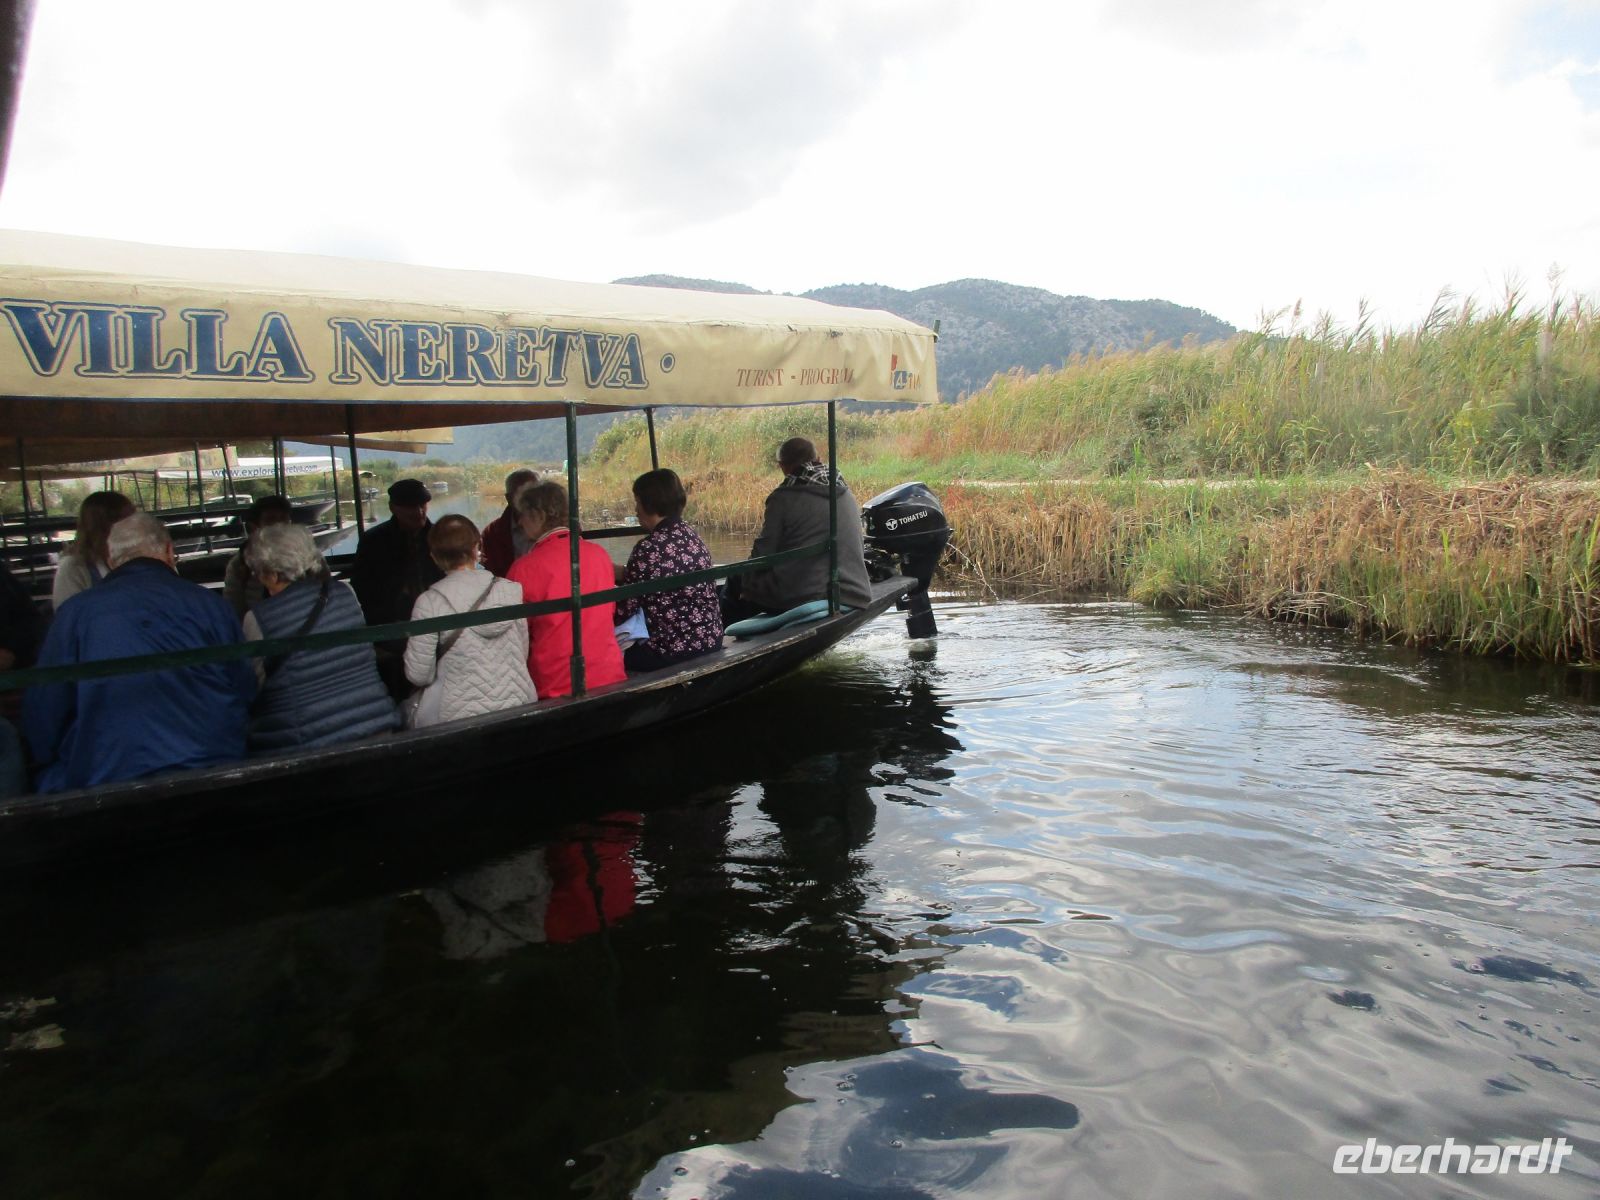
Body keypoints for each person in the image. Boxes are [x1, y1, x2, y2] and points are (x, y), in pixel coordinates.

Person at [23, 512, 255, 793]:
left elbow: (45, 709)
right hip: (211, 762)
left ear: (111, 560)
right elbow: (244, 687)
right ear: (169, 551)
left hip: (109, 776)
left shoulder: (75, 614)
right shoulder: (210, 605)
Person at [241, 523, 397, 753]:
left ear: (271, 573)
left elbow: (251, 688)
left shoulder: (257, 619)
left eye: (257, 572)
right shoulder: (345, 593)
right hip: (375, 725)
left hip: (305, 745)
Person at [402, 514, 536, 727]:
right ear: (476, 548)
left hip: (456, 717)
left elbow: (419, 675)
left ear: (434, 556)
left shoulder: (429, 602)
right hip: (517, 702)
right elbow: (522, 651)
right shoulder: (510, 590)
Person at [723, 436, 872, 620]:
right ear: (818, 459)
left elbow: (763, 553)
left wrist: (747, 584)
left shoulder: (782, 497)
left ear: (783, 466)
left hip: (805, 594)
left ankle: (723, 634)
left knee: (736, 579)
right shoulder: (843, 489)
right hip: (854, 590)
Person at [506, 480, 625, 699]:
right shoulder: (599, 554)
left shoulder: (524, 568)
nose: (520, 521)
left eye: (522, 514)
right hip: (609, 674)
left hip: (555, 684)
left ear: (538, 515)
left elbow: (515, 636)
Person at [612, 469, 723, 672]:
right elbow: (662, 571)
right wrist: (624, 573)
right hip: (710, 638)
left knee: (604, 652)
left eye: (637, 502)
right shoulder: (692, 537)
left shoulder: (647, 548)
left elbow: (623, 612)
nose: (636, 510)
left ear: (649, 504)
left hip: (670, 651)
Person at [350, 478, 445, 695]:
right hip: (393, 628)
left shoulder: (439, 537)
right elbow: (362, 589)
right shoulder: (374, 542)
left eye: (422, 505)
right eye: (411, 506)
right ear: (393, 508)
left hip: (437, 623)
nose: (419, 512)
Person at [50, 490, 134, 611]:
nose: (136, 525)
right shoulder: (73, 567)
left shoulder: (129, 559)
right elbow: (69, 616)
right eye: (129, 521)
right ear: (106, 526)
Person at [223, 494, 294, 619]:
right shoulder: (240, 564)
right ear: (254, 527)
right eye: (271, 520)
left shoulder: (308, 558)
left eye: (283, 519)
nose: (278, 525)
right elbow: (233, 610)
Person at [480, 468, 539, 577]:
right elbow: (489, 573)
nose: (531, 499)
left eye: (536, 493)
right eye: (524, 494)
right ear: (509, 498)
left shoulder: (560, 528)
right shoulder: (492, 533)